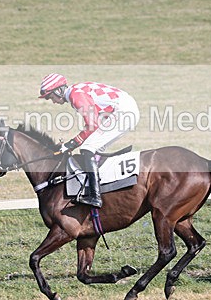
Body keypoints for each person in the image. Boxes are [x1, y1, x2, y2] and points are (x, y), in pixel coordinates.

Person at [38, 73, 139, 208]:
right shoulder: (76, 91)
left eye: (51, 97)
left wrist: (71, 144)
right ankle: (102, 184)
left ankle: (95, 196)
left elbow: (92, 124)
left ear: (58, 91)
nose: (53, 101)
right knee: (92, 146)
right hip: (123, 109)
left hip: (124, 111)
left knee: (87, 148)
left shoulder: (75, 95)